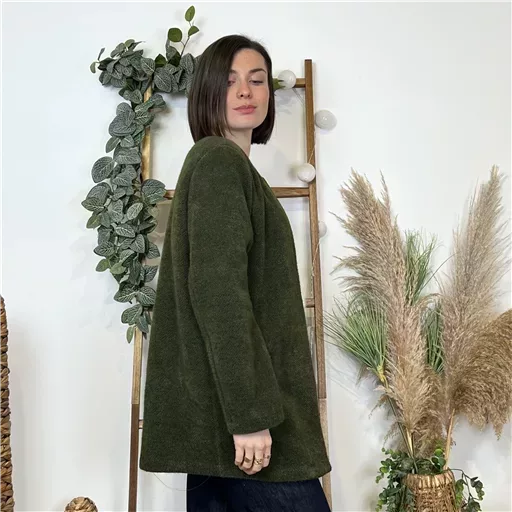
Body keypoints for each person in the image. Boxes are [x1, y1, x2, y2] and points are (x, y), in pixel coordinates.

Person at [139, 34, 332, 511]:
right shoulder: (219, 161)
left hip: (220, 421)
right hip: (245, 422)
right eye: (229, 81)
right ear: (207, 91)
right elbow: (218, 292)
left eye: (257, 80)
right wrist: (249, 415)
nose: (246, 91)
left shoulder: (227, 167)